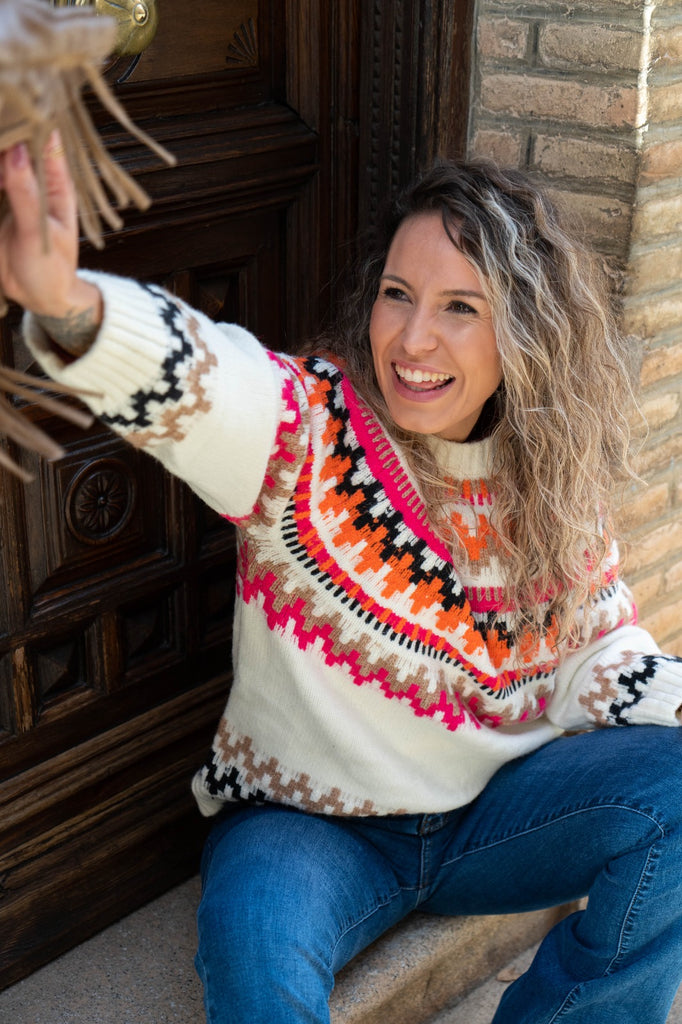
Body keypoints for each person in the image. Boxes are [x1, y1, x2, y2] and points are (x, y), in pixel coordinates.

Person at [1, 133, 681, 1024]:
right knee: (255, 961)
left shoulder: (546, 471)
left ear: (525, 331)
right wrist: (75, 307)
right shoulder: (307, 431)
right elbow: (208, 381)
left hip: (493, 816)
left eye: (461, 307)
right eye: (398, 294)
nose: (413, 338)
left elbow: (594, 645)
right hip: (309, 829)